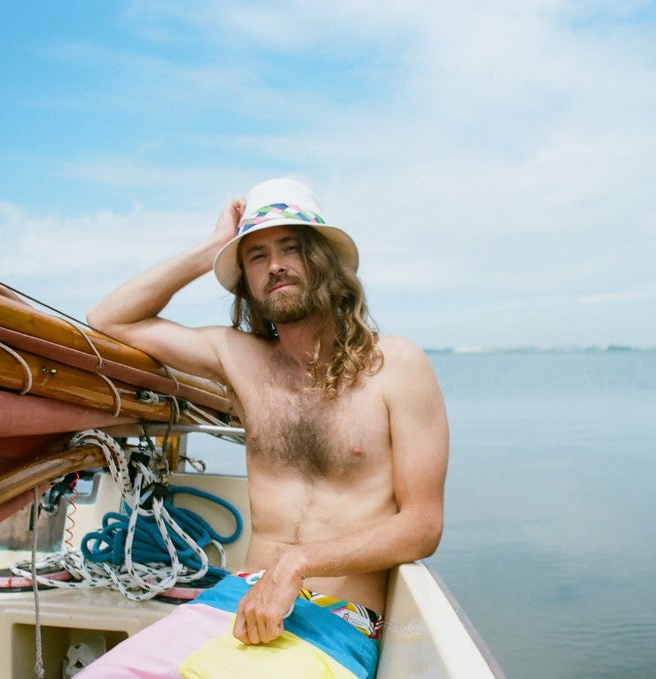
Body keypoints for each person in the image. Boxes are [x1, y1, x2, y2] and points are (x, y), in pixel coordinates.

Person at [82, 178, 448, 677]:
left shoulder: (398, 366)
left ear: (324, 262)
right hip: (235, 599)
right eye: (255, 256)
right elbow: (107, 319)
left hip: (337, 620)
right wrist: (210, 251)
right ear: (246, 284)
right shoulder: (241, 359)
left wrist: (296, 564)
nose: (275, 264)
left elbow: (422, 525)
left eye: (290, 248)